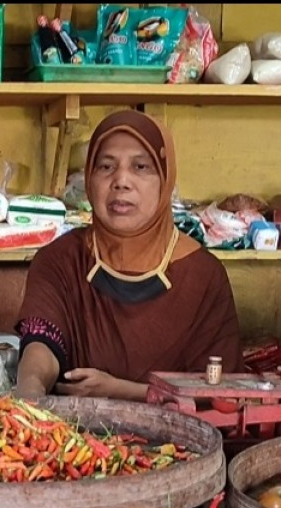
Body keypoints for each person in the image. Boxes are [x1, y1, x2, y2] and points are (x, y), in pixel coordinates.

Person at [13, 110, 242, 402]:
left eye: (141, 167)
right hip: (74, 440)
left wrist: (119, 391)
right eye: (106, 166)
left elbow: (223, 393)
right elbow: (41, 341)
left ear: (165, 180)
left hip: (180, 441)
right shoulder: (59, 259)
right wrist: (30, 391)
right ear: (89, 179)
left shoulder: (202, 274)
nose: (121, 181)